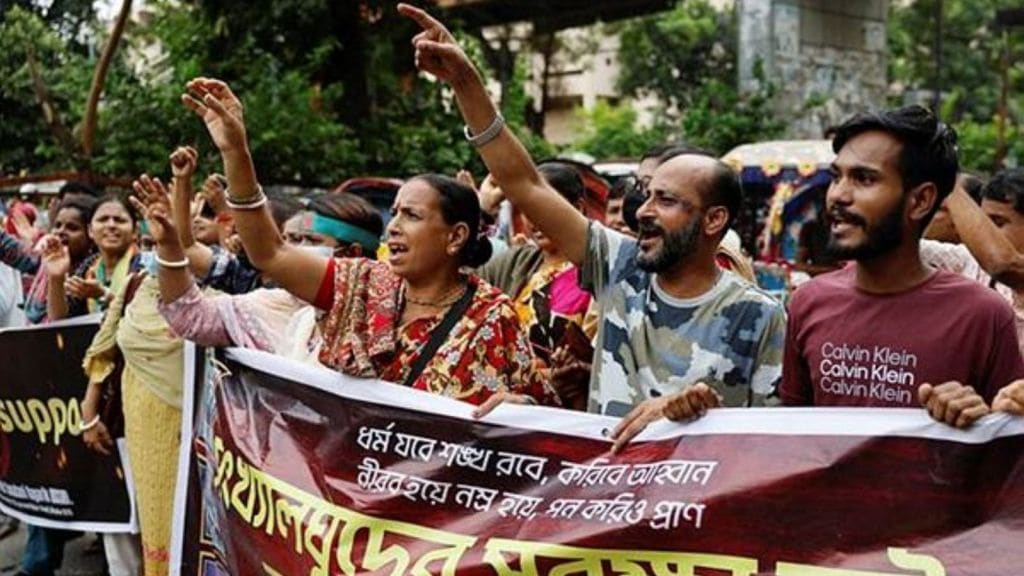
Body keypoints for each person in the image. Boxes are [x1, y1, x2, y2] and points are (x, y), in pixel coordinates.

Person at [398, 4, 786, 452]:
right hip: (602, 508)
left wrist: (698, 415)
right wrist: (466, 83)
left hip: (693, 510)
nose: (643, 210)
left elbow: (767, 444)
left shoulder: (758, 314)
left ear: (714, 219)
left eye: (667, 200)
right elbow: (524, 183)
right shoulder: (619, 266)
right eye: (647, 194)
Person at [181, 76, 557, 407]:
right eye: (394, 213)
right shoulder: (360, 285)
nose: (393, 226)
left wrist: (519, 406)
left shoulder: (492, 317)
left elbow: (542, 415)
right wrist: (236, 151)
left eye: (411, 215)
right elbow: (270, 253)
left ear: (455, 236)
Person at [780, 106, 1024, 428]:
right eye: (836, 177)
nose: (838, 195)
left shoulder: (984, 316)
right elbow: (789, 435)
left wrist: (979, 415)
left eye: (865, 179)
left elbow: (1007, 451)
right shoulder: (807, 302)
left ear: (921, 201)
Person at [477, 162, 595, 409]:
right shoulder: (514, 262)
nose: (533, 219)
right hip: (500, 403)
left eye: (542, 208)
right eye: (526, 209)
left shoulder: (599, 269)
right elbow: (461, 282)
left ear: (577, 208)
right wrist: (483, 208)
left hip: (569, 411)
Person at [920, 169, 1024, 358]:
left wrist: (945, 175)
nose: (984, 232)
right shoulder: (967, 260)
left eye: (998, 222)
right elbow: (900, 247)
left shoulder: (1004, 265)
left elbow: (1002, 264)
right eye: (982, 222)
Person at [45, 195, 142, 320]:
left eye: (119, 220)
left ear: (135, 231)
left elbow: (144, 317)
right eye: (103, 219)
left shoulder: (146, 267)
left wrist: (103, 295)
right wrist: (56, 277)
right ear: (90, 230)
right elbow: (60, 319)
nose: (111, 225)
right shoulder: (88, 268)